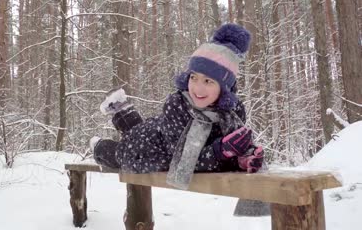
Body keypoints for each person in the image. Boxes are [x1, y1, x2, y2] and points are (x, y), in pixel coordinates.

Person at [91, 23, 264, 182]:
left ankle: (121, 107)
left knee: (135, 130)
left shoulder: (233, 114)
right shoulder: (178, 105)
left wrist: (242, 158)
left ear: (225, 88)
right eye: (193, 78)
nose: (197, 88)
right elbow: (182, 160)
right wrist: (220, 151)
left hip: (157, 130)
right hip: (148, 150)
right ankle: (98, 144)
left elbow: (224, 153)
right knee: (121, 153)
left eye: (208, 81)